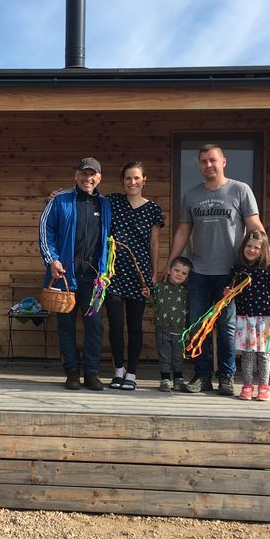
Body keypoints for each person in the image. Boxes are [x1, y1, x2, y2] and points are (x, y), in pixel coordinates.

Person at [159, 143, 270, 396]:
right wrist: (170, 262)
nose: (208, 165)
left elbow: (255, 226)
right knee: (198, 325)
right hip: (199, 272)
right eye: (203, 161)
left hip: (231, 274)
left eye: (212, 160)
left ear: (224, 162)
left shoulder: (240, 190)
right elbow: (183, 230)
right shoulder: (192, 195)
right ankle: (202, 376)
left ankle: (226, 377)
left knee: (227, 328)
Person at [39, 157, 112, 391]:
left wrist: (105, 271)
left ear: (99, 178)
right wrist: (52, 260)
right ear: (76, 175)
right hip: (64, 278)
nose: (87, 178)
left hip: (94, 279)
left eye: (92, 174)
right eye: (83, 173)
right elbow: (45, 232)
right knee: (66, 326)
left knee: (95, 327)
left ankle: (91, 373)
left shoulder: (106, 205)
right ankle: (71, 372)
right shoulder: (59, 201)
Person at [104, 161, 164, 391]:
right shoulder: (112, 201)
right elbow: (87, 195)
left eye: (137, 178)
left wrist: (153, 275)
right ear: (123, 181)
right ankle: (118, 369)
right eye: (128, 178)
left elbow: (154, 244)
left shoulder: (153, 209)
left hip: (139, 275)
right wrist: (59, 194)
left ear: (144, 180)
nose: (132, 182)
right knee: (116, 325)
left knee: (135, 326)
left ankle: (132, 372)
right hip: (114, 273)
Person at [229, 230, 270, 401]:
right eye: (249, 246)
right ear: (243, 247)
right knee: (247, 354)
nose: (251, 250)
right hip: (245, 319)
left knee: (263, 354)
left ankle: (264, 387)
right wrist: (228, 292)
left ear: (263, 250)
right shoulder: (237, 269)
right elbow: (232, 291)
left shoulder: (269, 269)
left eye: (256, 248)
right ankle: (247, 385)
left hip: (265, 320)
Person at [149, 256, 191, 392]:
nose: (179, 274)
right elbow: (151, 303)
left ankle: (178, 380)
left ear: (187, 276)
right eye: (176, 270)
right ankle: (165, 380)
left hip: (180, 332)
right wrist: (147, 295)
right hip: (162, 330)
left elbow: (188, 312)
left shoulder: (186, 292)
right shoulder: (159, 287)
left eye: (184, 273)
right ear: (169, 270)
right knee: (165, 357)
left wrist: (188, 331)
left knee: (178, 357)